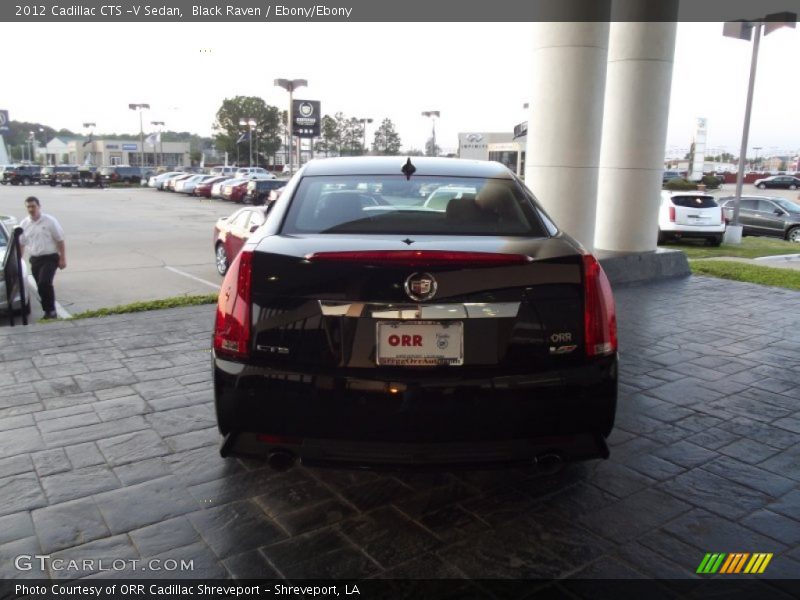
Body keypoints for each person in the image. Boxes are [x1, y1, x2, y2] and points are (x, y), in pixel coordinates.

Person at [19, 196, 66, 319]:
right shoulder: (24, 224)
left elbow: (60, 240)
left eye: (33, 206)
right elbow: (21, 244)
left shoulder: (49, 221)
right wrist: (18, 261)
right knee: (40, 286)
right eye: (28, 207)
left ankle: (51, 311)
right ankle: (47, 310)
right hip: (35, 259)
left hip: (50, 257)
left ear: (39, 207)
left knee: (45, 282)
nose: (31, 209)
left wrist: (62, 258)